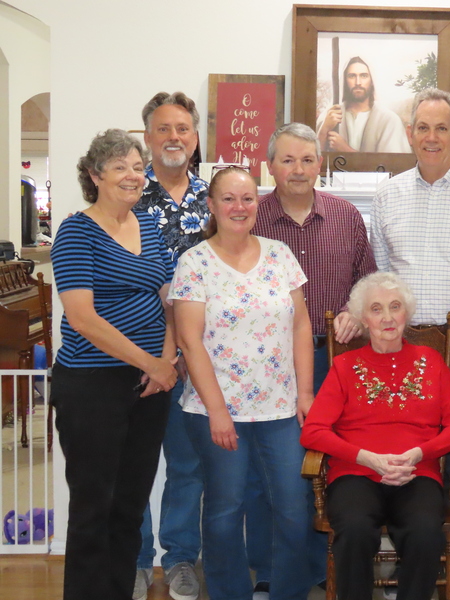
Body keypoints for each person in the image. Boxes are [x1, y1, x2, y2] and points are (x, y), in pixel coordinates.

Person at [169, 167, 315, 600]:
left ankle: (288, 591)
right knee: (225, 511)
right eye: (228, 199)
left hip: (280, 409)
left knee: (291, 507)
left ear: (258, 203)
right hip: (217, 412)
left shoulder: (280, 254)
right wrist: (217, 410)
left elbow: (301, 325)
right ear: (211, 206)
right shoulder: (194, 262)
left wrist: (305, 393)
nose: (239, 207)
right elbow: (189, 342)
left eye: (248, 198)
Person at [371, 87, 450, 600]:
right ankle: (407, 556)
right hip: (400, 345)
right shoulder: (388, 194)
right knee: (399, 448)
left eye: (442, 128)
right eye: (423, 127)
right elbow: (380, 272)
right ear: (410, 133)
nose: (432, 137)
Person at [247, 121, 377, 597]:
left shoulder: (346, 216)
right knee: (272, 473)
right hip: (270, 366)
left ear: (321, 164)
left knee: (332, 469)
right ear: (270, 166)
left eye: (307, 159)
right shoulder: (249, 217)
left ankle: (325, 569)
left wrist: (353, 312)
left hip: (337, 363)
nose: (298, 169)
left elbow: (369, 283)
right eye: (287, 159)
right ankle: (269, 570)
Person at [51, 128, 178, 600]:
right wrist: (153, 362)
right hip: (91, 384)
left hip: (149, 385)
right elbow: (82, 318)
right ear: (94, 175)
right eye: (120, 166)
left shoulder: (148, 223)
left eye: (138, 166)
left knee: (129, 506)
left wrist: (167, 361)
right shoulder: (75, 231)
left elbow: (169, 299)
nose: (133, 175)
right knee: (93, 507)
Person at [300, 272, 450, 600]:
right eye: (376, 309)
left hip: (417, 472)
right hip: (355, 473)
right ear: (364, 319)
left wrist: (419, 454)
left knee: (424, 532)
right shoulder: (344, 366)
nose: (388, 317)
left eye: (395, 307)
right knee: (352, 529)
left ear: (407, 313)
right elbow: (313, 432)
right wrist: (366, 457)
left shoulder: (432, 362)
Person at [133, 91, 210, 600]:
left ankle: (180, 558)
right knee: (135, 462)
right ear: (147, 138)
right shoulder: (125, 194)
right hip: (136, 355)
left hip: (200, 355)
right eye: (164, 129)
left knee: (187, 465)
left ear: (196, 137)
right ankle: (135, 559)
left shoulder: (217, 198)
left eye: (183, 128)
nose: (174, 138)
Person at [317, 56, 411, 153]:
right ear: (345, 80)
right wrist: (324, 131)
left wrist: (346, 150)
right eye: (352, 76)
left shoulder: (389, 120)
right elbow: (312, 157)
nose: (358, 82)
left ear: (371, 81)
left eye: (363, 76)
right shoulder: (328, 117)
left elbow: (393, 164)